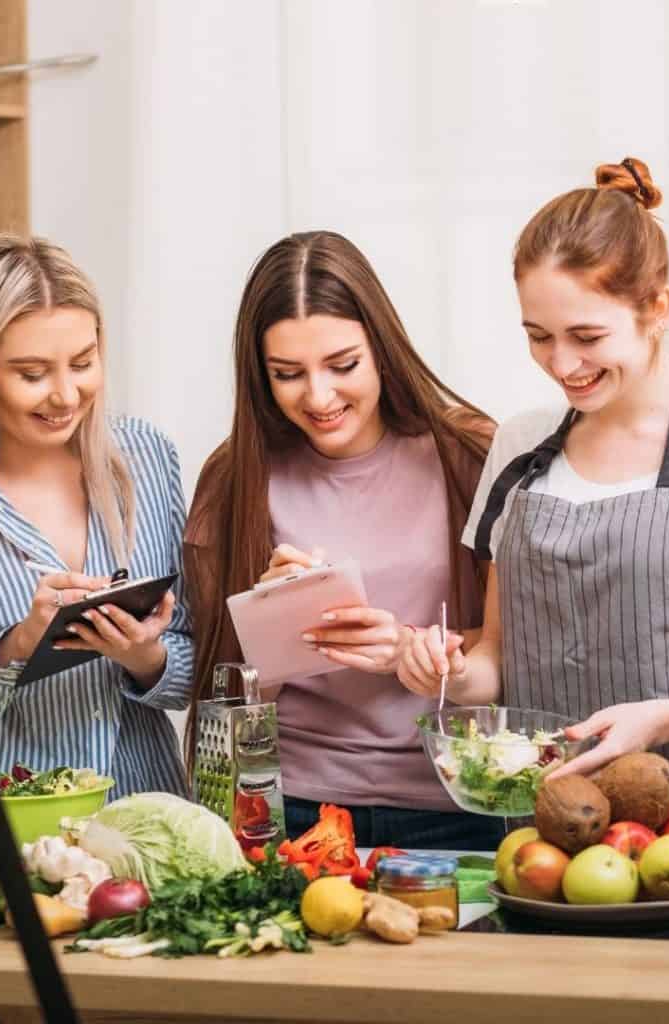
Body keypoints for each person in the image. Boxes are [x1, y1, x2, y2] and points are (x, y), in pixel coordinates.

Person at [399, 158, 669, 800]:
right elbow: (498, 656)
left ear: (657, 308)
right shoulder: (521, 446)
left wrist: (662, 718)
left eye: (587, 335)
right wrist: (449, 674)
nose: (563, 364)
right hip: (546, 838)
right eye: (539, 337)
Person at [184, 230, 505, 850]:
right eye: (288, 374)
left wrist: (407, 650)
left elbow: (508, 652)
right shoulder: (235, 478)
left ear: (381, 349)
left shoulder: (469, 453)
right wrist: (268, 627)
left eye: (343, 365)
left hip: (457, 804)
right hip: (292, 809)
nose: (320, 396)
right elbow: (215, 692)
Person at [0, 235, 193, 827]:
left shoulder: (146, 458)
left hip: (138, 829)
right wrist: (16, 647)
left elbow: (197, 667)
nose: (66, 394)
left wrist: (145, 655)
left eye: (83, 363)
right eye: (31, 373)